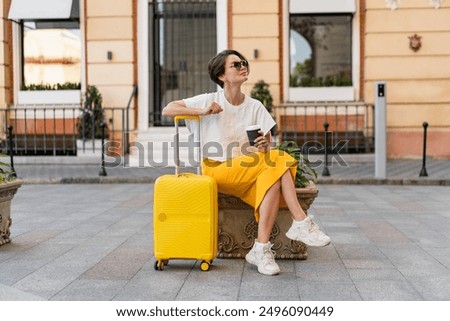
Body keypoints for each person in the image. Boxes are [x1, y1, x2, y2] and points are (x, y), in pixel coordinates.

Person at [162, 49, 330, 276]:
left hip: (247, 169)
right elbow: (168, 109)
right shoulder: (208, 100)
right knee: (278, 161)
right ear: (222, 75)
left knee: (272, 176)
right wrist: (202, 112)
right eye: (235, 65)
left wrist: (263, 145)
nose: (242, 67)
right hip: (217, 170)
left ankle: (261, 248)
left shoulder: (255, 106)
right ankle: (300, 221)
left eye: (243, 63)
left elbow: (267, 147)